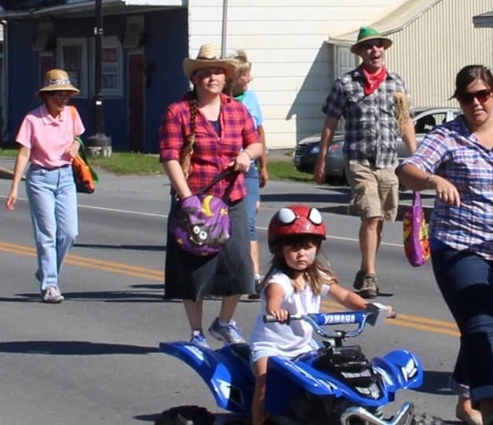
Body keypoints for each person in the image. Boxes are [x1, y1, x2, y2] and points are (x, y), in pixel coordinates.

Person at [397, 65, 493, 425]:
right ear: (460, 101)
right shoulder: (448, 136)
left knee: (483, 327)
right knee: (480, 325)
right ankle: (490, 407)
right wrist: (433, 179)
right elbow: (407, 170)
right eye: (468, 97)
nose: (476, 103)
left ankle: (466, 397)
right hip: (460, 245)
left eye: (483, 94)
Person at [160, 43, 264, 348]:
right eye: (205, 73)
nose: (212, 78)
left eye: (218, 72)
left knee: (241, 264)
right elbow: (169, 157)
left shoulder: (237, 109)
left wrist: (247, 154)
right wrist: (187, 198)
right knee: (195, 270)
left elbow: (256, 143)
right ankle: (196, 332)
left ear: (226, 76)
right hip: (195, 200)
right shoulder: (178, 112)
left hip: (231, 199)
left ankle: (225, 322)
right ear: (195, 78)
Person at [250, 204, 389, 425]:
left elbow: (343, 295)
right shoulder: (279, 279)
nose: (301, 254)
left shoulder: (317, 275)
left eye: (307, 247)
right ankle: (258, 422)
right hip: (272, 348)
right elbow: (274, 296)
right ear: (279, 250)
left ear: (317, 247)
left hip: (304, 346)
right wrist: (275, 310)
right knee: (265, 384)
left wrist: (368, 308)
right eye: (293, 248)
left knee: (333, 373)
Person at [314, 27, 417, 298]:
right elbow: (330, 122)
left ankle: (364, 268)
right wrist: (321, 159)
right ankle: (371, 276)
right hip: (359, 161)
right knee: (370, 215)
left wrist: (417, 158)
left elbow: (405, 122)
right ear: (360, 52)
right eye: (369, 46)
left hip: (388, 162)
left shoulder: (397, 83)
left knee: (380, 219)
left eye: (379, 46)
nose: (375, 51)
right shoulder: (346, 84)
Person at [5, 69, 85, 303]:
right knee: (47, 233)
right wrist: (14, 187)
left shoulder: (71, 114)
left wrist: (76, 146)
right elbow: (24, 153)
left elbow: (78, 137)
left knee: (70, 232)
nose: (61, 100)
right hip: (40, 177)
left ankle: (46, 270)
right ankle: (50, 284)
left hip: (66, 177)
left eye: (65, 95)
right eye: (55, 95)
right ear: (45, 97)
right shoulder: (33, 119)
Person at [229, 50, 268, 297]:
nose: (250, 79)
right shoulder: (221, 101)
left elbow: (260, 134)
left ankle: (252, 276)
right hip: (226, 171)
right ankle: (230, 272)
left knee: (250, 222)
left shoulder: (251, 98)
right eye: (246, 75)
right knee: (228, 224)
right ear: (234, 78)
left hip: (250, 168)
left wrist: (264, 165)